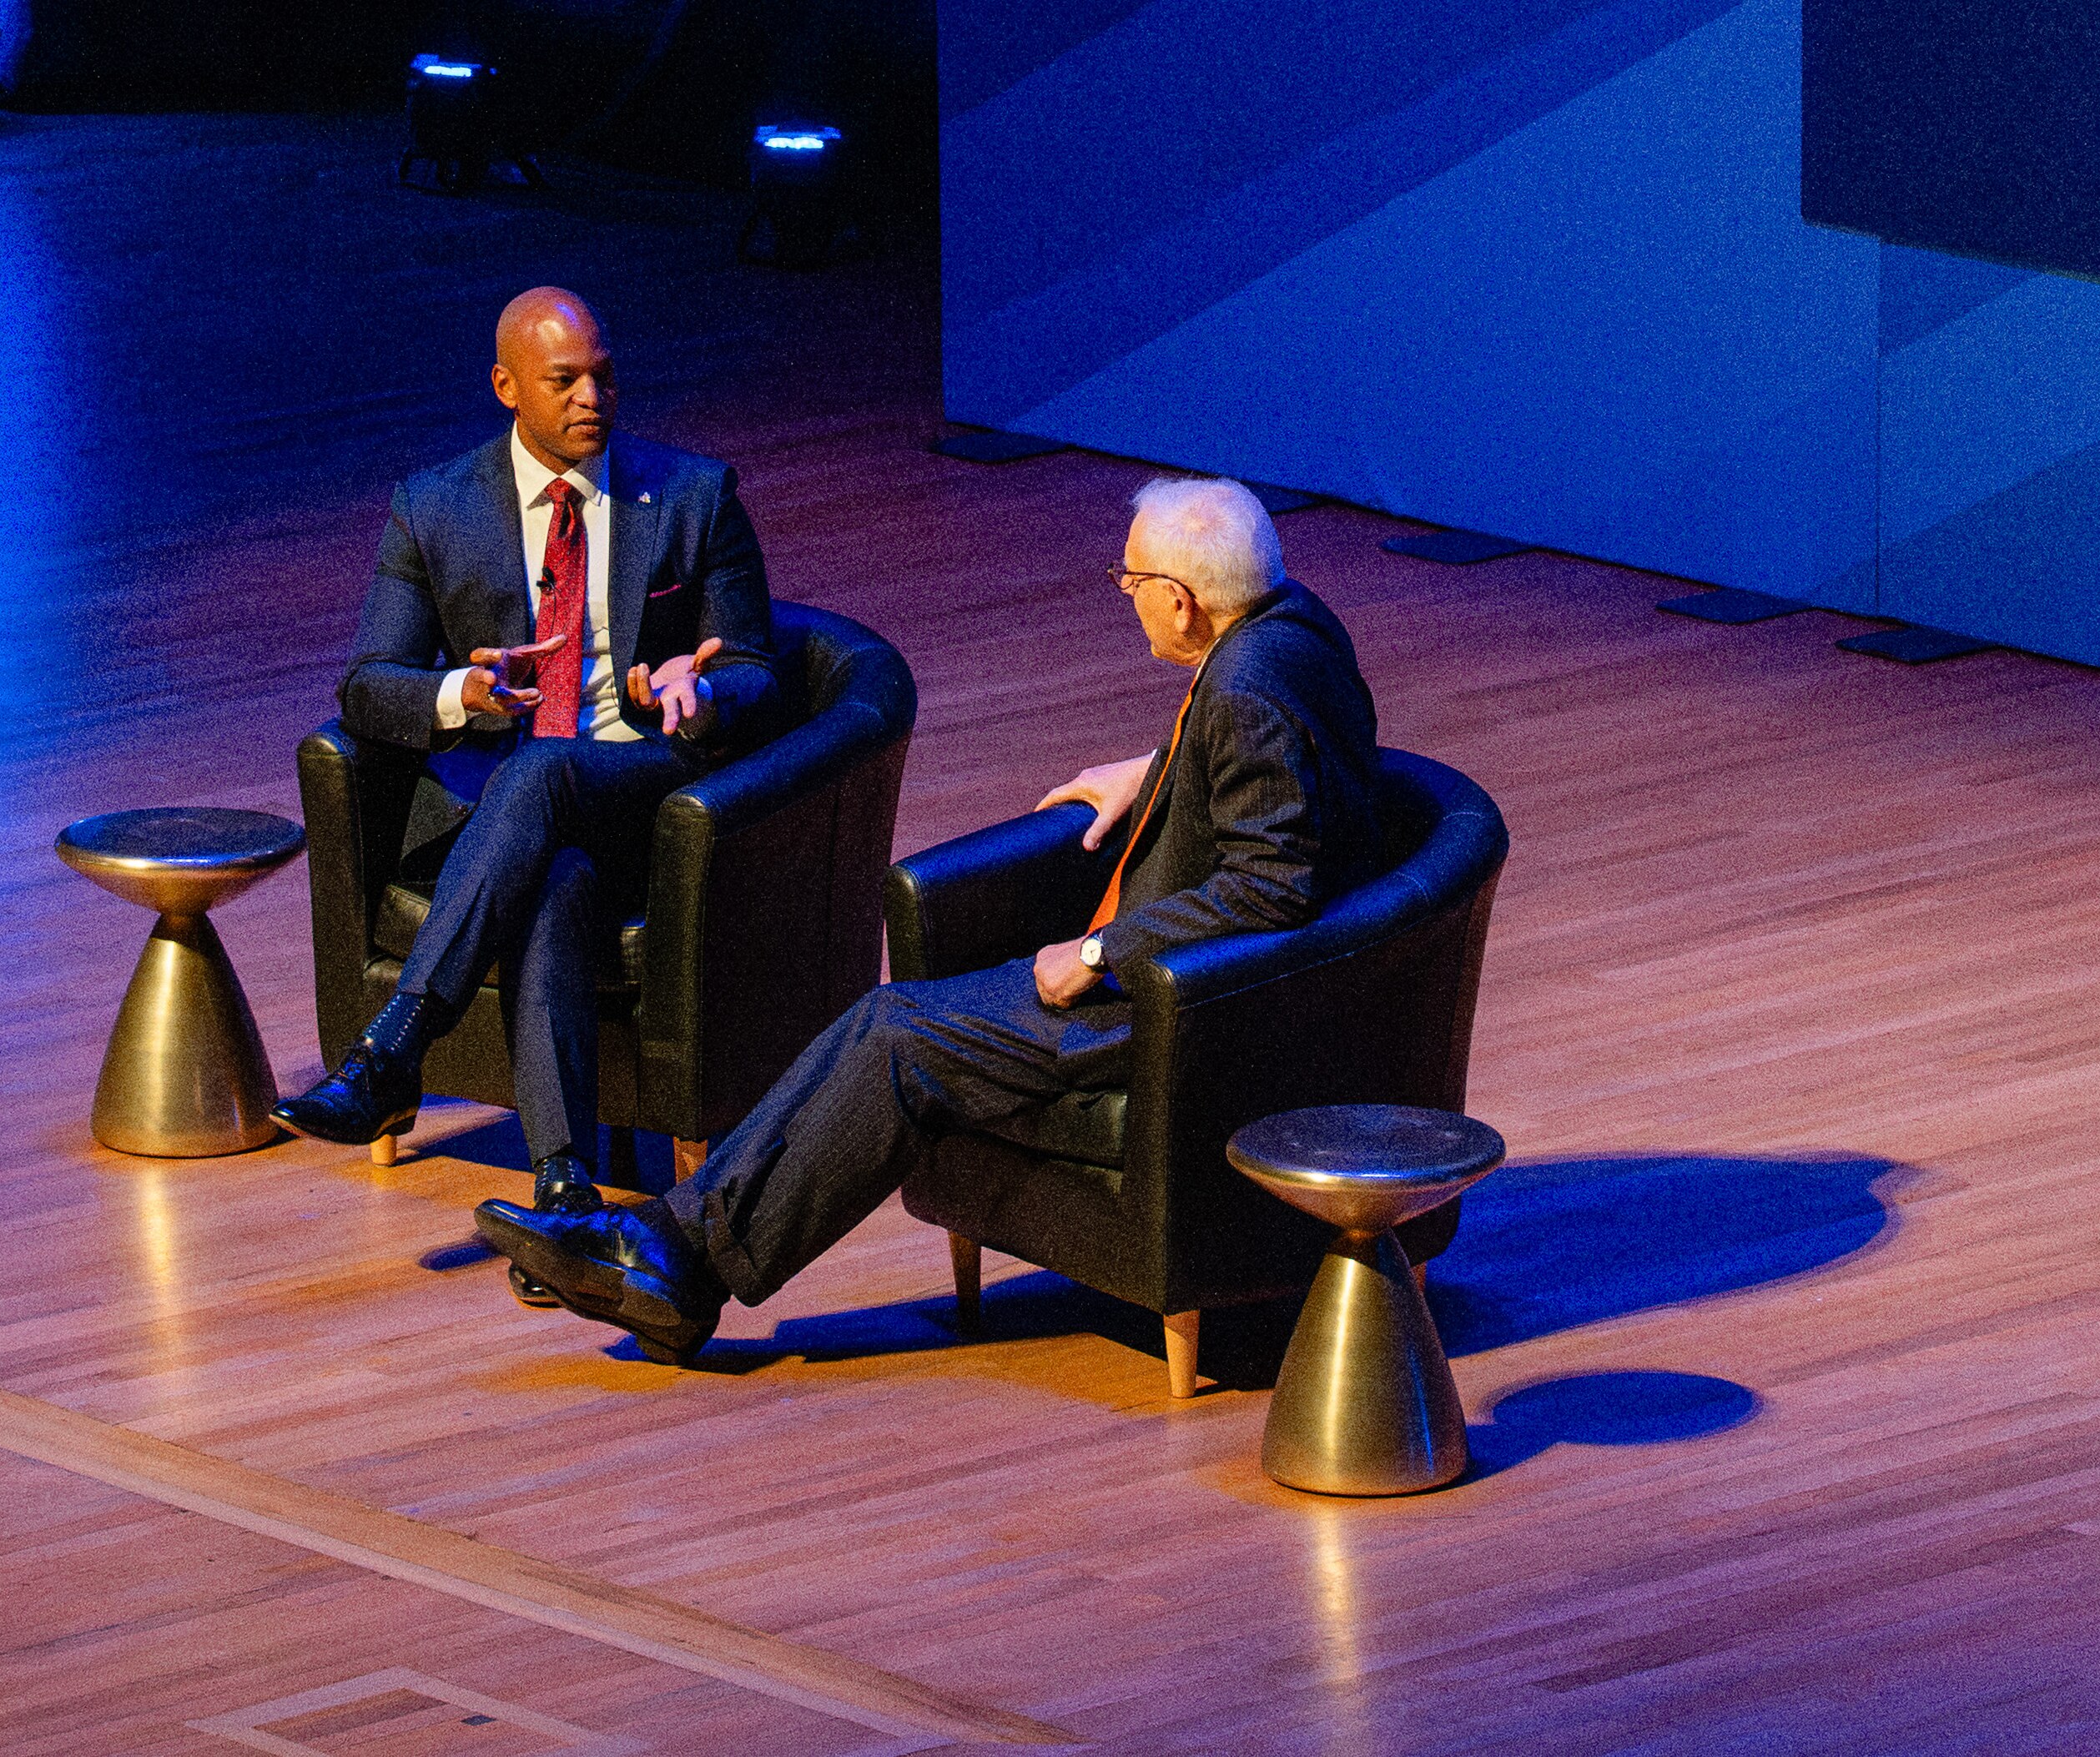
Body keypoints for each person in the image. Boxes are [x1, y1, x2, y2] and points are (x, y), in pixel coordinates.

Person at [473, 476, 1383, 1362]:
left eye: (1132, 581)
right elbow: (1282, 776)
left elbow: (1269, 885)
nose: (1126, 595)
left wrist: (1101, 952)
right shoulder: (1290, 624)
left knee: (895, 1042)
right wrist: (1160, 765)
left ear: (1182, 602)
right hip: (1181, 984)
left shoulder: (1242, 693)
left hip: (1171, 1007)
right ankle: (668, 1249)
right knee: (881, 1019)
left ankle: (679, 1269)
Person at [275, 287, 781, 1306]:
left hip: (644, 787)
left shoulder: (691, 494)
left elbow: (762, 668)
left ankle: (396, 1050)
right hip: (504, 818)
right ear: (507, 387)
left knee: (544, 771)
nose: (592, 396)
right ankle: (563, 1194)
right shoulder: (433, 506)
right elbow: (366, 685)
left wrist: (702, 691)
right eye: (564, 381)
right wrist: (462, 692)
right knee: (551, 875)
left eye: (602, 372)